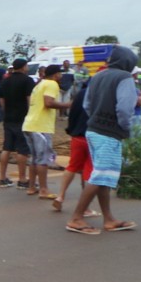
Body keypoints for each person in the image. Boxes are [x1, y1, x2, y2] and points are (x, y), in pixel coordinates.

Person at [65, 46, 139, 235]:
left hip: (93, 130)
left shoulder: (97, 76)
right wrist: (125, 127)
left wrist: (96, 119)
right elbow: (124, 109)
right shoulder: (125, 78)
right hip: (109, 133)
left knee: (103, 177)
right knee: (100, 176)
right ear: (129, 63)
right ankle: (76, 218)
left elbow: (87, 104)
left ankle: (109, 219)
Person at [22, 64, 72, 199]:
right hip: (41, 126)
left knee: (34, 158)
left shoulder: (39, 84)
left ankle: (32, 187)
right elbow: (48, 103)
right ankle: (43, 189)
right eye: (60, 74)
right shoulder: (52, 84)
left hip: (30, 124)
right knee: (42, 159)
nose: (61, 77)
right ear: (56, 75)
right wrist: (68, 105)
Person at [53, 80, 98, 218]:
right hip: (91, 136)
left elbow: (71, 114)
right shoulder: (98, 95)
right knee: (88, 170)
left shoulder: (79, 95)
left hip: (76, 136)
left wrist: (71, 130)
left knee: (72, 166)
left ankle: (60, 196)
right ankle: (85, 208)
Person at [0, 58, 34, 188]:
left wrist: (6, 112)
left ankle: (2, 178)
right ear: (23, 67)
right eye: (27, 66)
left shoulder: (5, 81)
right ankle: (22, 180)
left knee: (6, 148)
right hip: (22, 118)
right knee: (22, 149)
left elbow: (2, 100)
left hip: (8, 118)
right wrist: (31, 114)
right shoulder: (27, 81)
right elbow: (29, 99)